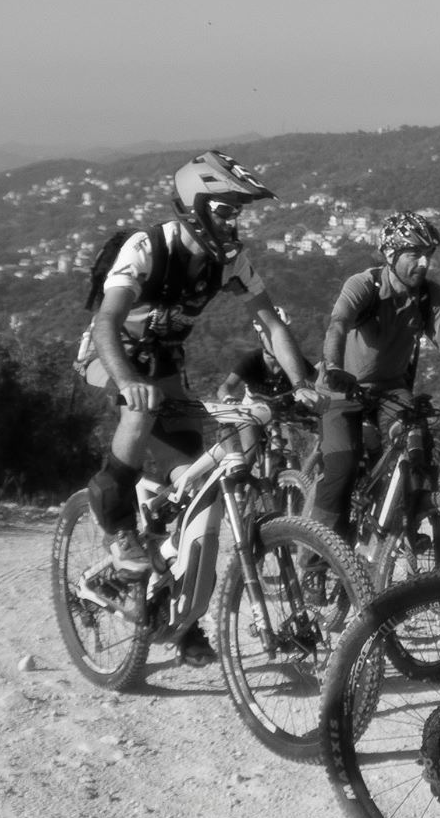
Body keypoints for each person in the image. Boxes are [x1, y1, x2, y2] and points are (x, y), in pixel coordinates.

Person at [83, 150, 314, 665]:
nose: (234, 222)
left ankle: (178, 613)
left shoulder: (230, 261)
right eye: (225, 210)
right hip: (111, 357)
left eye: (238, 212)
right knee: (140, 412)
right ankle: (118, 528)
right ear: (196, 206)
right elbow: (105, 323)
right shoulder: (147, 247)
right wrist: (127, 381)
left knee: (194, 487)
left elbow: (272, 324)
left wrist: (301, 383)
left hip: (164, 365)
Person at [311, 210, 440, 537]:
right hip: (341, 388)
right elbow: (338, 325)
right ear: (389, 254)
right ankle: (317, 557)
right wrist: (335, 368)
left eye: (428, 255)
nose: (424, 263)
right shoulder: (365, 285)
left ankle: (403, 524)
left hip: (391, 390)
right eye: (414, 254)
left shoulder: (428, 295)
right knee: (342, 467)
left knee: (415, 440)